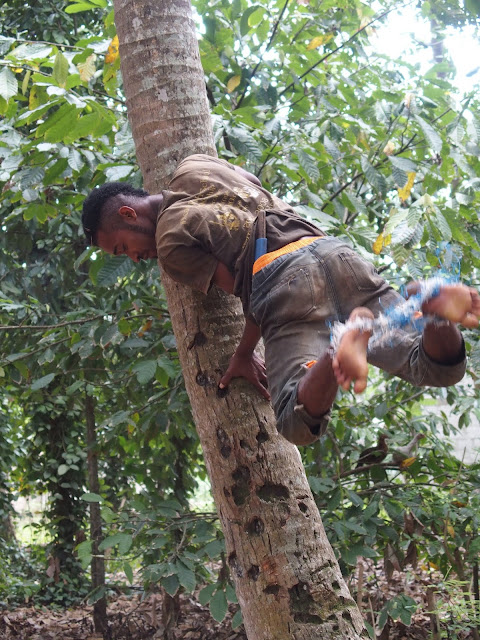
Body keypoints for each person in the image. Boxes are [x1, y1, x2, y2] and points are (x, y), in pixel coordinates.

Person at [81, 154, 480, 446]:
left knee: (293, 420)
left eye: (122, 248)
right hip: (334, 252)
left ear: (130, 215)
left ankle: (338, 347)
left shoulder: (170, 244)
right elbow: (250, 178)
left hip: (285, 281)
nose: (134, 258)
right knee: (439, 370)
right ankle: (432, 308)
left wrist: (242, 355)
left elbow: (249, 293)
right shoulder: (194, 166)